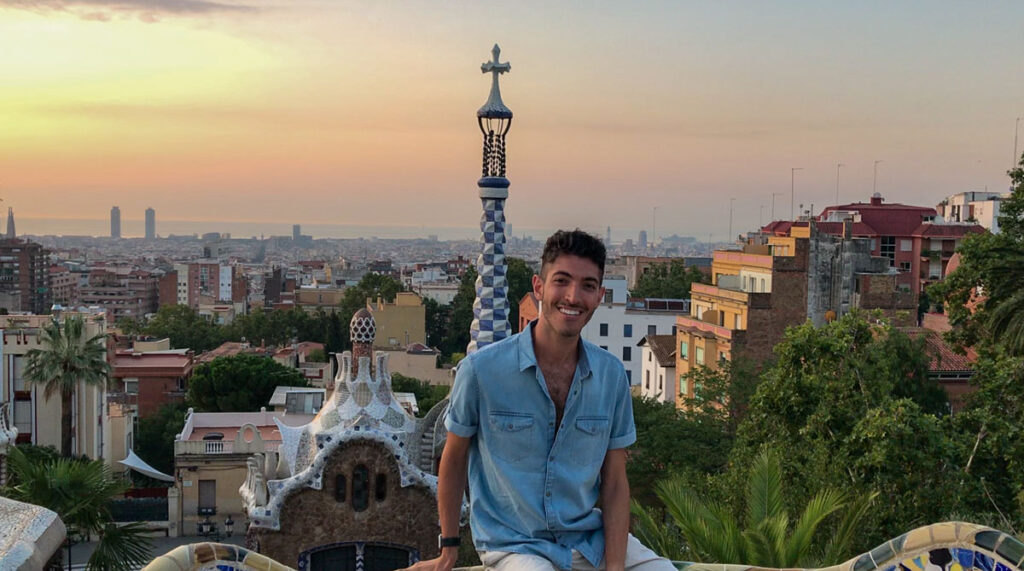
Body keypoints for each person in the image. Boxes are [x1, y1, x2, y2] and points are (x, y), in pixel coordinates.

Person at [403, 229, 675, 571]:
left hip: (588, 538)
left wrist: (616, 566)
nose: (573, 296)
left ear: (600, 295)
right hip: (515, 544)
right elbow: (454, 459)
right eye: (562, 281)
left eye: (588, 286)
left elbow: (616, 483)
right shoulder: (482, 371)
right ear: (539, 287)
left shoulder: (610, 377)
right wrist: (448, 550)